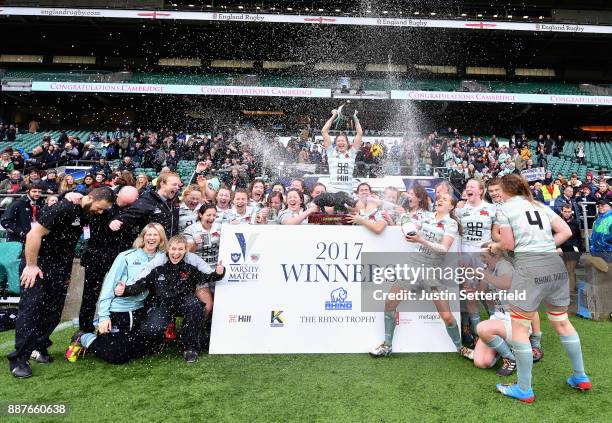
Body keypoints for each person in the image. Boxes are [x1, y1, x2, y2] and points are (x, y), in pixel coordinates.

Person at [491, 174, 591, 403]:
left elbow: (507, 245)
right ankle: (580, 376)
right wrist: (544, 245)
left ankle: (524, 389)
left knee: (519, 327)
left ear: (506, 190)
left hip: (530, 268)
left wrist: (494, 245)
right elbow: (565, 232)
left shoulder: (504, 208)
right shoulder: (538, 204)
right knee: (562, 321)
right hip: (555, 266)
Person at [7, 187, 114, 378]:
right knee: (31, 309)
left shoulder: (88, 210)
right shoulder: (63, 208)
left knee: (54, 310)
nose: (100, 212)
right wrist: (31, 265)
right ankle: (18, 360)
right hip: (38, 263)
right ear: (90, 198)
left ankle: (38, 347)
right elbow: (34, 235)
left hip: (61, 266)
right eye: (99, 208)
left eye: (102, 210)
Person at [370, 193, 470, 359]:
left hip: (433, 270)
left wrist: (420, 240)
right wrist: (405, 222)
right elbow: (411, 230)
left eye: (444, 199)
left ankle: (460, 348)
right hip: (413, 267)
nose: (439, 200)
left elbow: (444, 249)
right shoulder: (426, 217)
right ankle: (387, 345)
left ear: (451, 206)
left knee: (447, 316)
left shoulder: (451, 224)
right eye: (439, 198)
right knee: (389, 303)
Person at [65, 223, 168, 364]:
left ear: (161, 239)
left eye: (155, 235)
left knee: (139, 352)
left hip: (139, 310)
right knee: (118, 356)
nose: (151, 238)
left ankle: (108, 339)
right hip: (120, 311)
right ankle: (85, 338)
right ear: (142, 237)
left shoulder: (163, 258)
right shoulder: (125, 257)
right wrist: (103, 317)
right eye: (148, 234)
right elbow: (108, 287)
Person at [113, 235, 224, 363]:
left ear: (185, 250)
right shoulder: (158, 266)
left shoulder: (190, 267)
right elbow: (141, 284)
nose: (176, 253)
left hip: (184, 300)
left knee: (196, 306)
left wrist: (219, 273)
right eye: (174, 249)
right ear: (168, 249)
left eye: (180, 249)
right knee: (152, 330)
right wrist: (125, 290)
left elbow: (207, 277)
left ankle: (189, 347)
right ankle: (157, 341)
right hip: (162, 303)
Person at [77, 186, 139, 334]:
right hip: (97, 255)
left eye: (131, 203)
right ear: (118, 196)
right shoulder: (103, 206)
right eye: (125, 202)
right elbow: (87, 210)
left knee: (118, 292)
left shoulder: (135, 210)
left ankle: (115, 324)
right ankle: (85, 328)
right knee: (90, 294)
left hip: (120, 258)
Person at [455, 179, 498, 340]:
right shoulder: (460, 211)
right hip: (466, 257)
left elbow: (497, 234)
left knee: (487, 294)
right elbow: (456, 235)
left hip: (485, 257)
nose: (468, 189)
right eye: (466, 187)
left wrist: (493, 247)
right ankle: (477, 332)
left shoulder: (492, 209)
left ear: (481, 191)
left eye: (472, 187)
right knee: (470, 294)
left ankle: (496, 325)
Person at [470, 248, 518, 376]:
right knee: (481, 362)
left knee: (482, 328)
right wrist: (467, 288)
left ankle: (511, 359)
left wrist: (483, 274)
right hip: (498, 319)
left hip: (513, 320)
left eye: (484, 256)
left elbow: (506, 284)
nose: (482, 260)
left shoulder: (505, 265)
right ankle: (507, 350)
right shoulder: (489, 269)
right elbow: (479, 293)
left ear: (496, 255)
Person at [110, 171, 181, 251]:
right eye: (174, 184)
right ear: (162, 184)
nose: (178, 188)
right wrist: (116, 221)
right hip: (152, 251)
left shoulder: (174, 201)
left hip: (170, 250)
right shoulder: (147, 200)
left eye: (178, 185)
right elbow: (129, 216)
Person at [313, 107, 363, 212]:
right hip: (333, 193)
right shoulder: (331, 153)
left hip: (347, 193)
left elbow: (360, 133)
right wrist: (334, 115)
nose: (341, 142)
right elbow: (324, 131)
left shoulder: (352, 154)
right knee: (319, 203)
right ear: (336, 143)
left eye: (343, 140)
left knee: (359, 207)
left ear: (347, 143)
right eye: (338, 141)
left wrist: (354, 117)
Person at [559, 203, 583, 293]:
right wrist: (557, 247)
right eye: (565, 211)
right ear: (561, 211)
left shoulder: (575, 222)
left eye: (569, 212)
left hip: (573, 250)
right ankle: (565, 290)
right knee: (564, 271)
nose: (567, 213)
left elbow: (578, 238)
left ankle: (570, 291)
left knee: (570, 270)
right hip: (560, 250)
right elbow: (552, 236)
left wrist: (578, 250)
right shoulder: (557, 222)